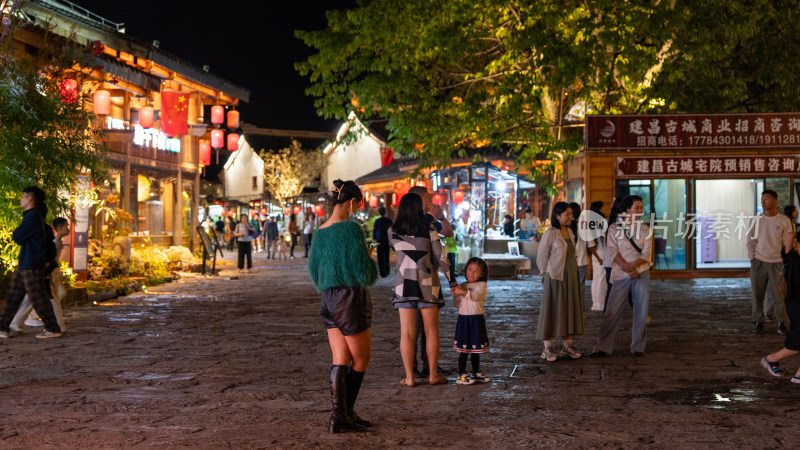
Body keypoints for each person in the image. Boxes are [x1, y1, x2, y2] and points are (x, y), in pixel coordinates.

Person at [308, 179, 377, 433]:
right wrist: (369, 254)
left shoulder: (320, 232)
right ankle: (342, 413)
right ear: (351, 202)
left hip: (328, 299)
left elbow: (315, 274)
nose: (356, 209)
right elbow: (364, 274)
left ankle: (342, 416)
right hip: (350, 299)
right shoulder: (351, 230)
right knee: (361, 358)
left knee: (340, 358)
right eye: (357, 204)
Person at [390, 193, 455, 386]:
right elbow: (442, 258)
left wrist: (365, 253)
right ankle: (433, 375)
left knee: (406, 334)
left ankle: (409, 377)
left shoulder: (392, 230)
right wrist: (453, 282)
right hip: (428, 286)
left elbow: (376, 245)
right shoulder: (429, 229)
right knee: (432, 332)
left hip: (403, 287)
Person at [588, 195, 652, 357]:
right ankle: (602, 346)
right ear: (627, 210)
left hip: (641, 272)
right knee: (612, 311)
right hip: (620, 273)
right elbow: (612, 251)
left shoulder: (646, 229)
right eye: (636, 207)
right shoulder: (614, 228)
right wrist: (627, 268)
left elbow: (647, 254)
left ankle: (638, 347)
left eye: (641, 208)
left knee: (641, 311)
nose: (639, 210)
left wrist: (633, 267)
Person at [0, 186, 62, 339]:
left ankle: (53, 328)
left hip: (32, 262)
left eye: (23, 196)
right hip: (27, 261)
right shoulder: (33, 216)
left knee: (38, 296)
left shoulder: (33, 216)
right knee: (14, 295)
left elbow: (18, 237)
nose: (20, 199)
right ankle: (3, 328)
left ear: (30, 198)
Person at [407, 185, 454, 376]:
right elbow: (441, 256)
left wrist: (441, 217)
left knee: (427, 329)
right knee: (414, 329)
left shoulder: (430, 223)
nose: (431, 203)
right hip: (416, 282)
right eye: (427, 199)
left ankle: (427, 364)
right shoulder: (406, 224)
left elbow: (449, 233)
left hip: (425, 280)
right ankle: (413, 367)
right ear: (417, 201)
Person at [535, 202, 583, 361]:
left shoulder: (569, 231)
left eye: (571, 214)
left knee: (568, 309)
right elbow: (542, 255)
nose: (571, 217)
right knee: (551, 308)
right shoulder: (551, 233)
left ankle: (567, 344)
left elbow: (573, 254)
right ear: (557, 216)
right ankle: (547, 346)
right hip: (555, 275)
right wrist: (543, 273)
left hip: (570, 275)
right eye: (567, 214)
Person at [11, 217, 70, 333]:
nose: (68, 229)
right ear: (59, 228)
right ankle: (57, 325)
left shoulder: (58, 241)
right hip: (44, 272)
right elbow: (47, 259)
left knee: (39, 297)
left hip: (47, 272)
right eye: (66, 226)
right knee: (51, 298)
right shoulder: (54, 241)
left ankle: (22, 320)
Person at [747, 190, 792, 335]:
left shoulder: (784, 220)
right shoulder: (755, 220)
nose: (763, 201)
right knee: (757, 293)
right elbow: (750, 241)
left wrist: (787, 260)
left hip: (778, 263)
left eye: (766, 198)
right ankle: (758, 321)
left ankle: (782, 323)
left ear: (775, 201)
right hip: (758, 262)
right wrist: (752, 258)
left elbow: (788, 241)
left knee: (778, 294)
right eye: (762, 199)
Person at [760, 229, 800, 383]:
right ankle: (771, 359)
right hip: (796, 304)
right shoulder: (791, 258)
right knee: (795, 343)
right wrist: (792, 230)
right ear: (797, 245)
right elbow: (789, 236)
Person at [451, 257, 491, 385]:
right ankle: (461, 374)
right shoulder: (462, 285)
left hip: (476, 319)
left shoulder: (482, 285)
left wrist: (462, 292)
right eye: (469, 269)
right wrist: (456, 294)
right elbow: (457, 304)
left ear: (482, 273)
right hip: (464, 320)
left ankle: (476, 372)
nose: (472, 273)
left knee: (475, 349)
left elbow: (476, 296)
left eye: (476, 271)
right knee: (464, 350)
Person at [586, 201, 608, 311]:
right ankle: (600, 304)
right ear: (600, 209)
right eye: (603, 208)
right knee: (602, 278)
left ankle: (595, 303)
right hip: (602, 252)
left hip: (595, 252)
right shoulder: (603, 222)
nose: (605, 209)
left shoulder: (591, 222)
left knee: (596, 278)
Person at [569, 202, 589, 305]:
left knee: (569, 288)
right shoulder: (583, 225)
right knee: (580, 288)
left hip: (569, 263)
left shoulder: (566, 228)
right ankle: (579, 313)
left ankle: (570, 311)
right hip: (582, 261)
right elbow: (590, 244)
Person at [372, 207, 393, 278]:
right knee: (386, 255)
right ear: (385, 212)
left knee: (380, 256)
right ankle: (387, 270)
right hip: (387, 239)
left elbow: (375, 230)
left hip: (379, 239)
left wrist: (374, 238)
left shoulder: (377, 221)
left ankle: (382, 272)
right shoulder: (389, 221)